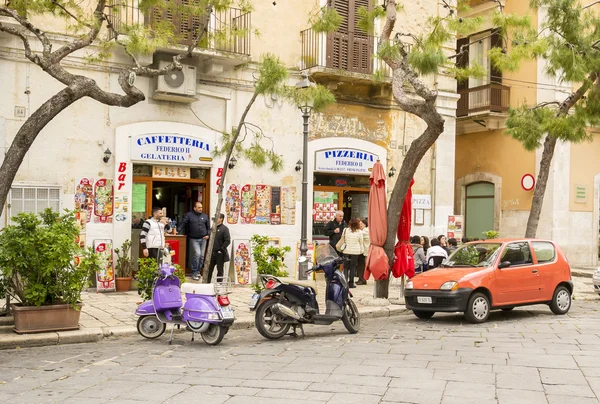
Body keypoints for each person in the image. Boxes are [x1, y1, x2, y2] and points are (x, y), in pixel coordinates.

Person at [178, 202, 210, 281]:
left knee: (202, 256)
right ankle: (194, 272)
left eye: (201, 207)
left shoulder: (205, 216)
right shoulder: (189, 215)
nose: (201, 209)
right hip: (194, 239)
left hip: (203, 238)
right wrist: (177, 230)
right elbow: (183, 223)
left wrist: (208, 235)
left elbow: (208, 227)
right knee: (197, 254)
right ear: (194, 208)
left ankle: (198, 271)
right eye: (199, 207)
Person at [206, 214, 231, 284]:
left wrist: (221, 249)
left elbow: (227, 240)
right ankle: (207, 283)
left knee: (220, 270)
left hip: (220, 253)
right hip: (212, 252)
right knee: (209, 269)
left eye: (217, 218)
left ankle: (219, 284)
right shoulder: (212, 228)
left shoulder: (224, 229)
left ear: (221, 219)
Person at [342, 218, 364, 288]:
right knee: (353, 267)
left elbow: (343, 238)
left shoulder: (345, 230)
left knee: (345, 267)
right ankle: (351, 283)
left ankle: (344, 282)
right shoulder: (359, 232)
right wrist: (361, 250)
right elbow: (361, 242)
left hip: (346, 250)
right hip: (355, 251)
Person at [356, 218, 369, 285]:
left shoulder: (365, 231)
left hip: (364, 251)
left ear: (365, 224)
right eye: (359, 224)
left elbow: (358, 236)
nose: (360, 225)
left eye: (361, 224)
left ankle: (362, 279)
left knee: (362, 265)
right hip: (363, 250)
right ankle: (362, 279)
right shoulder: (364, 230)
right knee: (362, 265)